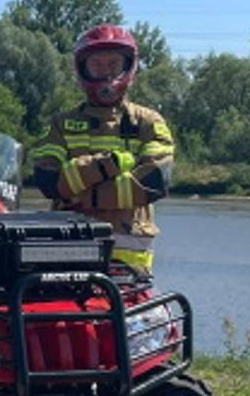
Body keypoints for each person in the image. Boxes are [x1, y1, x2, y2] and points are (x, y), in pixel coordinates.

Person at [26, 24, 176, 275]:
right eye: (97, 65)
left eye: (113, 64)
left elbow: (153, 182)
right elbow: (49, 182)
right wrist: (107, 166)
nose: (106, 73)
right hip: (68, 257)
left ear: (129, 67)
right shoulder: (60, 124)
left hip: (130, 270)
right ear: (82, 69)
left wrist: (77, 191)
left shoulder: (149, 123)